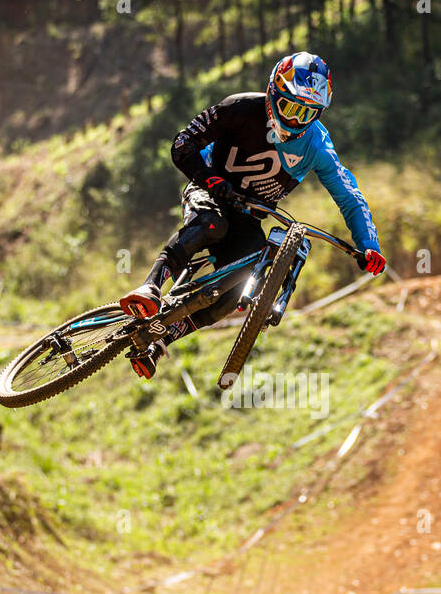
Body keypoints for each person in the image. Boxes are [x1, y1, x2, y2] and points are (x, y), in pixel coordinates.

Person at [117, 51, 387, 379]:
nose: (296, 121)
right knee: (212, 223)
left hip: (248, 216)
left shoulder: (318, 146)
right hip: (209, 189)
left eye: (308, 113)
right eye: (290, 108)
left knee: (244, 281)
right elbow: (182, 145)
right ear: (273, 93)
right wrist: (211, 180)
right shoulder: (240, 108)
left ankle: (162, 340)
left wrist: (368, 244)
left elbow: (350, 198)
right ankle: (151, 287)